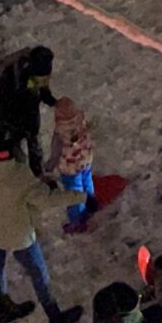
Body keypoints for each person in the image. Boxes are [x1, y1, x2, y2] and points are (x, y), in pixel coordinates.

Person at [0, 124, 84, 323]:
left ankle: (5, 307)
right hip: (18, 234)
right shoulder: (19, 176)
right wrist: (81, 196)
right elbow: (45, 200)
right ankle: (54, 316)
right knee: (38, 272)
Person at [0, 46, 54, 178]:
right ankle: (15, 175)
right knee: (13, 147)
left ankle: (37, 173)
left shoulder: (38, 70)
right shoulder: (13, 75)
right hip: (11, 117)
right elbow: (8, 102)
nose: (42, 81)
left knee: (33, 144)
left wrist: (53, 101)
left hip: (29, 115)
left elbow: (42, 89)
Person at [49, 96, 95, 234]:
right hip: (85, 160)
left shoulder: (60, 133)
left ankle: (76, 222)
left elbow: (56, 152)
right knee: (87, 181)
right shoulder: (82, 123)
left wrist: (50, 166)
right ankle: (91, 204)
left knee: (73, 193)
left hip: (70, 167)